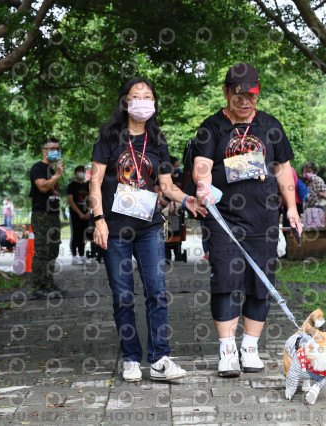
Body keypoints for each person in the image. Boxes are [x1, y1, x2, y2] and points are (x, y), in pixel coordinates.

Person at [90, 77, 207, 383]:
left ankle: (159, 359)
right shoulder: (108, 136)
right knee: (123, 295)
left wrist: (188, 199)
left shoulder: (157, 141)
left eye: (148, 96)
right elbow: (95, 181)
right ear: (125, 102)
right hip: (114, 228)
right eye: (135, 95)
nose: (142, 101)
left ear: (154, 103)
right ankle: (130, 358)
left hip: (149, 227)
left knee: (156, 292)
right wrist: (98, 219)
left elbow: (166, 186)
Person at [192, 62, 302, 377]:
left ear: (257, 94)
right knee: (226, 281)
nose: (244, 102)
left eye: (250, 96)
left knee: (260, 284)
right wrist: (202, 181)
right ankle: (227, 352)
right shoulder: (211, 127)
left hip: (264, 218)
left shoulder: (270, 126)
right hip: (223, 219)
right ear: (226, 93)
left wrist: (292, 208)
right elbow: (202, 163)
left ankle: (249, 348)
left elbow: (283, 169)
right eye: (238, 95)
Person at [29, 137, 65, 299]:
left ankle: (49, 283)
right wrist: (57, 175)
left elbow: (33, 195)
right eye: (52, 148)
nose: (56, 151)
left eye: (58, 148)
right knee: (42, 250)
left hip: (53, 215)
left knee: (53, 250)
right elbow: (43, 187)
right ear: (44, 151)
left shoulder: (52, 170)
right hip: (41, 215)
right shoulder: (38, 168)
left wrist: (56, 174)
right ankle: (38, 286)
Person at [67, 165, 91, 265]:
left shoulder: (87, 185)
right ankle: (74, 256)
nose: (81, 173)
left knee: (83, 235)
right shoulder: (71, 186)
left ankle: (82, 255)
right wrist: (79, 213)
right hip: (75, 214)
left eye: (83, 171)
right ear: (75, 173)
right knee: (75, 234)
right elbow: (70, 201)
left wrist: (89, 211)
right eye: (79, 171)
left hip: (86, 213)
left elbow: (92, 199)